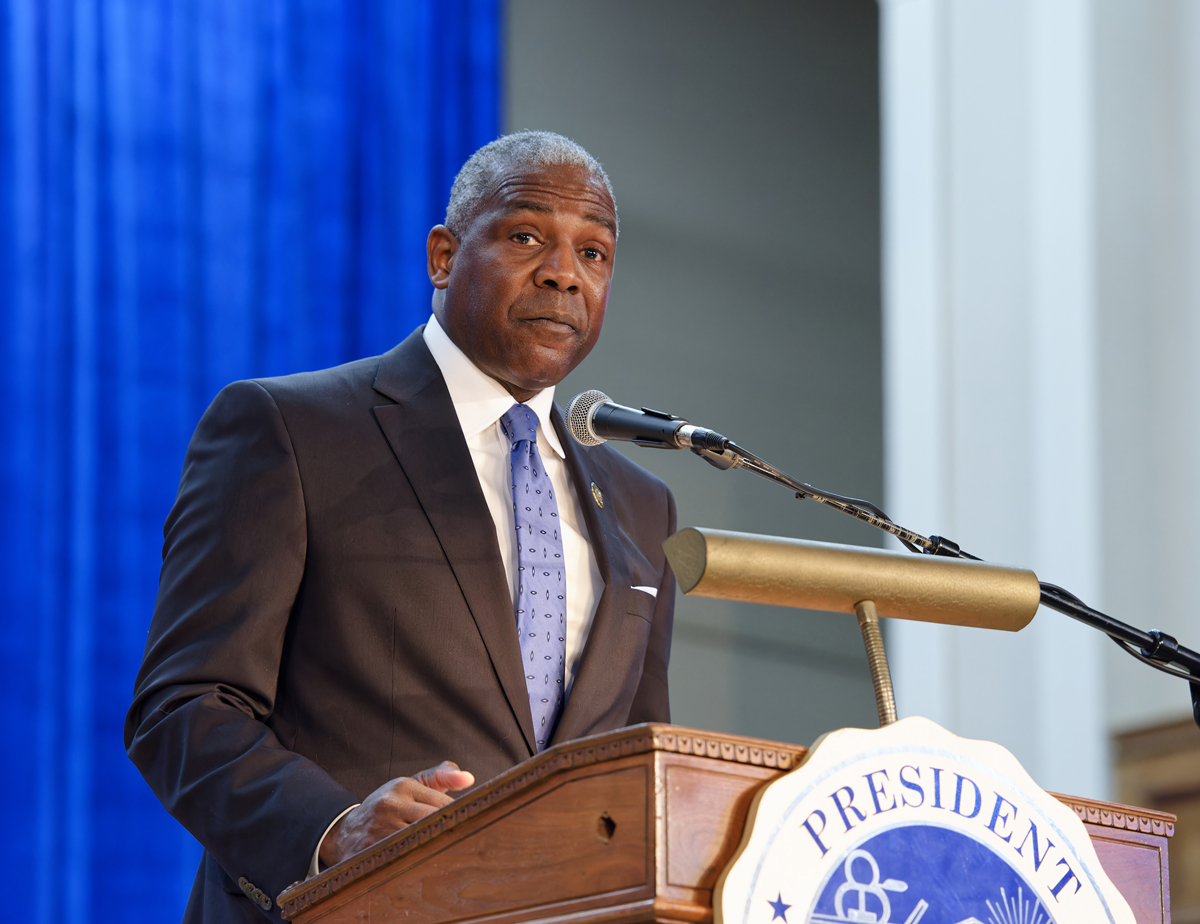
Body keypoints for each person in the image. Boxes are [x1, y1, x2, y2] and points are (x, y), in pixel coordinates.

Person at [125, 131, 677, 923]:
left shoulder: (641, 505)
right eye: (528, 237)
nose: (564, 273)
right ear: (444, 256)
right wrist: (333, 832)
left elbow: (632, 766)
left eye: (594, 254)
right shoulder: (291, 429)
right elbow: (183, 705)